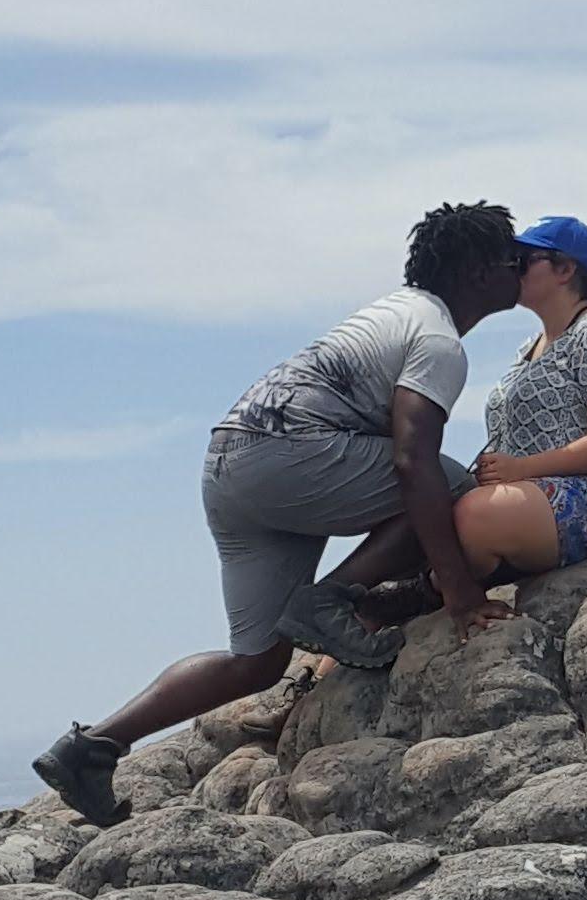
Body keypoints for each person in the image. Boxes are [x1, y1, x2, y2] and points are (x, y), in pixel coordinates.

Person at [29, 201, 521, 823]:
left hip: (229, 463)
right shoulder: (438, 339)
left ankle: (93, 748)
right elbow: (412, 461)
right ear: (479, 271)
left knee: (259, 660)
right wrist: (461, 593)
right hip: (284, 456)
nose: (520, 269)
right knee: (451, 486)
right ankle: (332, 598)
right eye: (511, 260)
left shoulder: (391, 313)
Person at [359, 215, 587, 609]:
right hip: (534, 497)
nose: (510, 268)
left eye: (523, 260)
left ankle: (418, 595)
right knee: (424, 508)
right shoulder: (530, 347)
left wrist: (521, 469)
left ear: (564, 269)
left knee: (473, 516)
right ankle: (370, 603)